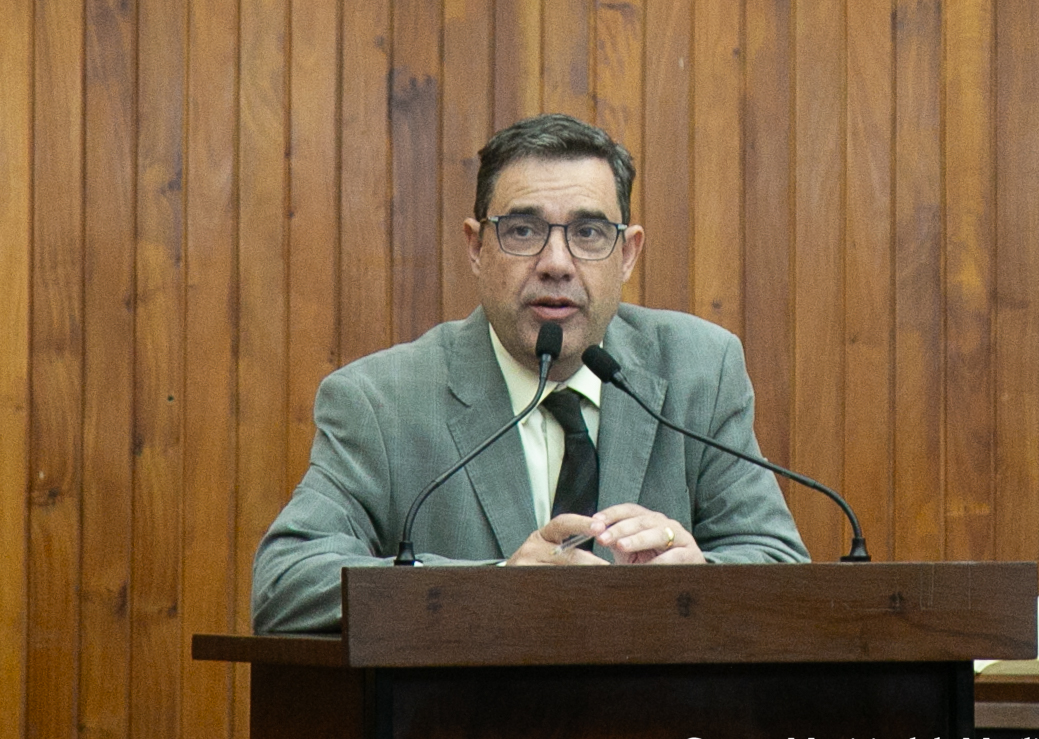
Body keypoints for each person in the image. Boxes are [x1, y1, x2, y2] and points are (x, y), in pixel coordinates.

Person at [252, 114, 809, 633]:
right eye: (522, 230)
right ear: (476, 247)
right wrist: (495, 587)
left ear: (627, 254)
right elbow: (286, 582)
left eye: (588, 233)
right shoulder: (382, 401)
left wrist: (698, 580)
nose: (556, 263)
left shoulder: (699, 370)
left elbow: (780, 565)